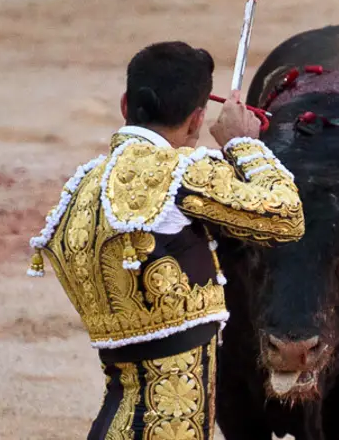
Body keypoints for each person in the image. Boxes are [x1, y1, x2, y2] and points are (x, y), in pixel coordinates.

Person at [26, 41, 304, 440]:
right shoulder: (179, 174)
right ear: (196, 121)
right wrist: (244, 144)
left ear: (126, 105)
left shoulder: (84, 186)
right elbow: (286, 216)